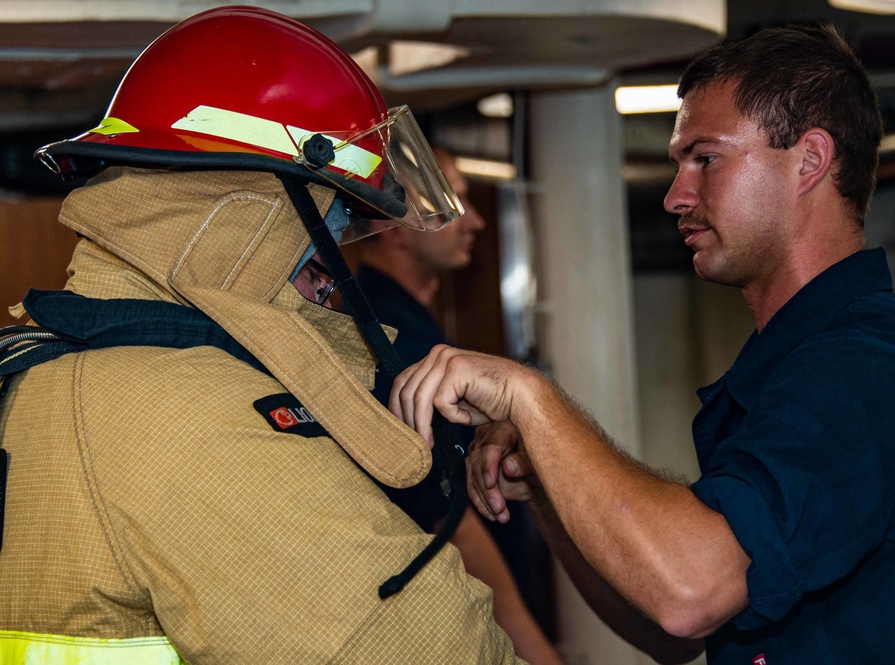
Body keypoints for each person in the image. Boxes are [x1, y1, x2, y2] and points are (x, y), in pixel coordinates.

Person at [389, 25, 895, 664]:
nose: (676, 195)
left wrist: (529, 396)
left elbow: (689, 593)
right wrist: (549, 482)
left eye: (706, 159)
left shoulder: (861, 368)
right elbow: (674, 629)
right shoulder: (795, 363)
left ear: (810, 161)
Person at [0, 7, 524, 663]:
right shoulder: (182, 410)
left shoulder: (63, 366)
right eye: (328, 233)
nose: (331, 273)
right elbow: (431, 649)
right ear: (252, 218)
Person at [353, 147, 562, 665]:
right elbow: (445, 517)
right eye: (451, 204)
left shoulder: (412, 326)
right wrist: (533, 650)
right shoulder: (384, 336)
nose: (476, 221)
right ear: (393, 226)